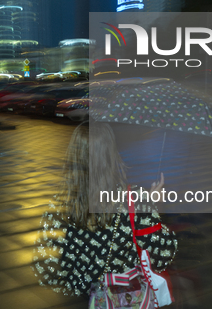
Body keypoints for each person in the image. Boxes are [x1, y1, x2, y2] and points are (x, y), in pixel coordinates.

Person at [32, 121, 178, 299]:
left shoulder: (58, 207)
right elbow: (162, 255)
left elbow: (46, 268)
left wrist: (81, 286)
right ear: (111, 154)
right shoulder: (135, 201)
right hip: (122, 298)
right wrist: (155, 207)